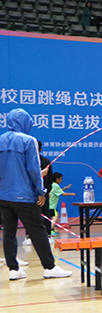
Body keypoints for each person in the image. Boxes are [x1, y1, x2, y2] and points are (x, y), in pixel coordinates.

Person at [0, 109, 73, 280]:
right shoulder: (29, 140)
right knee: (38, 230)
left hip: (3, 196)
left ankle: (13, 270)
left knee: (8, 231)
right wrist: (40, 191)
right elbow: (33, 169)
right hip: (24, 196)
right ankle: (49, 267)